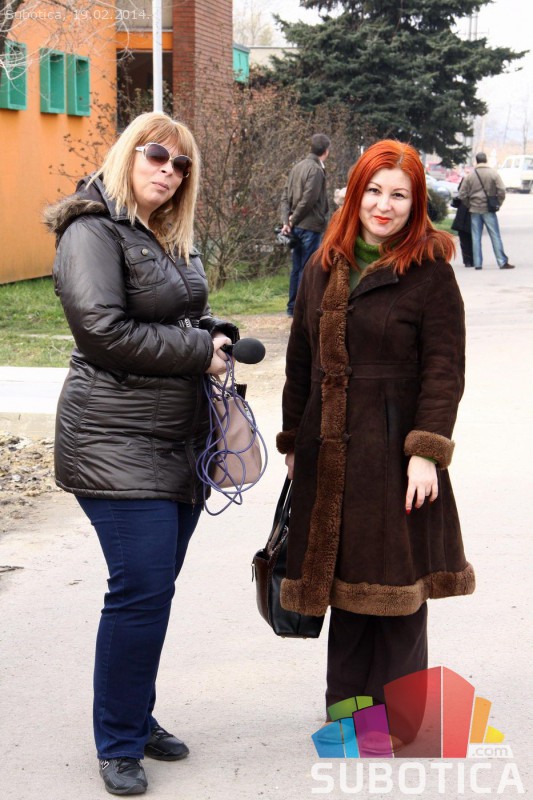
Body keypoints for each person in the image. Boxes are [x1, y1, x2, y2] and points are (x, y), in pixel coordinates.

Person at [44, 111, 238, 796]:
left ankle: (133, 711)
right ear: (128, 153)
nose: (169, 171)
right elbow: (102, 331)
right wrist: (199, 351)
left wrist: (214, 331)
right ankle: (119, 743)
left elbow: (177, 313)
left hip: (176, 441)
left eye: (182, 164)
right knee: (141, 590)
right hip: (112, 439)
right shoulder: (91, 230)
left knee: (153, 593)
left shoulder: (165, 233)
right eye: (158, 155)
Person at [276, 140, 475, 749]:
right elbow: (301, 360)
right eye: (374, 191)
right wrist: (294, 440)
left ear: (416, 203)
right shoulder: (323, 264)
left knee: (398, 588)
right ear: (355, 194)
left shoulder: (430, 271)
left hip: (395, 452)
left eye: (399, 195)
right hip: (329, 449)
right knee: (345, 586)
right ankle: (349, 718)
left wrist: (427, 452)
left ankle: (401, 722)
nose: (384, 206)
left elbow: (444, 368)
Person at [280, 133, 331, 316]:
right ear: (326, 151)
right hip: (309, 226)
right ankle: (300, 309)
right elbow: (309, 199)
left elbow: (285, 196)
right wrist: (291, 220)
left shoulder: (297, 167)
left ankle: (292, 307)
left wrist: (287, 221)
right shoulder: (316, 170)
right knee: (306, 268)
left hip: (296, 226)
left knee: (297, 268)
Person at [458, 152, 515, 270]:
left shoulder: (470, 176)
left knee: (476, 237)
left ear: (476, 161)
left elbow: (462, 194)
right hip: (489, 209)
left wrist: (469, 205)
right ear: (486, 160)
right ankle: (502, 262)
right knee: (495, 236)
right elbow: (502, 190)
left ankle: (478, 263)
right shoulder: (493, 174)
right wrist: (498, 203)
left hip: (474, 209)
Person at [451, 181, 474, 267]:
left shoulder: (466, 179)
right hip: (472, 211)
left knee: (464, 239)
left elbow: (460, 190)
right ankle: (472, 260)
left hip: (463, 212)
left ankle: (467, 260)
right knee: (472, 238)